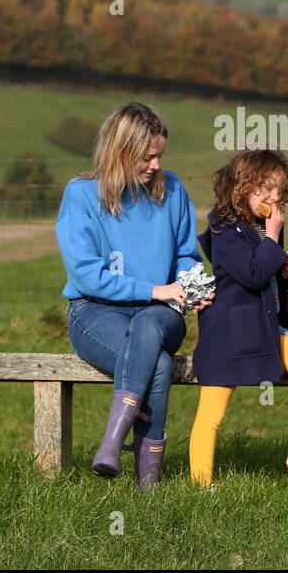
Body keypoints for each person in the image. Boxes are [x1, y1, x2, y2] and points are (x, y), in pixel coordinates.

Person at [57, 101, 213, 489]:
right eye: (147, 157)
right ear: (119, 152)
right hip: (94, 313)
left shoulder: (172, 190)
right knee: (157, 366)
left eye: (160, 155)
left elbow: (185, 256)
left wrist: (192, 287)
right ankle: (148, 482)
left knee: (147, 322)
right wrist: (155, 289)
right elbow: (88, 276)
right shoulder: (79, 197)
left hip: (162, 314)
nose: (156, 165)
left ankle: (111, 444)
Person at [189, 149, 288, 490]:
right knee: (212, 413)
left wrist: (285, 272)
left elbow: (269, 283)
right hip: (231, 334)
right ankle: (200, 486)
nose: (274, 197)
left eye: (279, 189)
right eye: (265, 189)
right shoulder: (223, 229)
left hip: (266, 329)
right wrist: (273, 243)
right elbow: (251, 274)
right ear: (241, 188)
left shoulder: (267, 227)